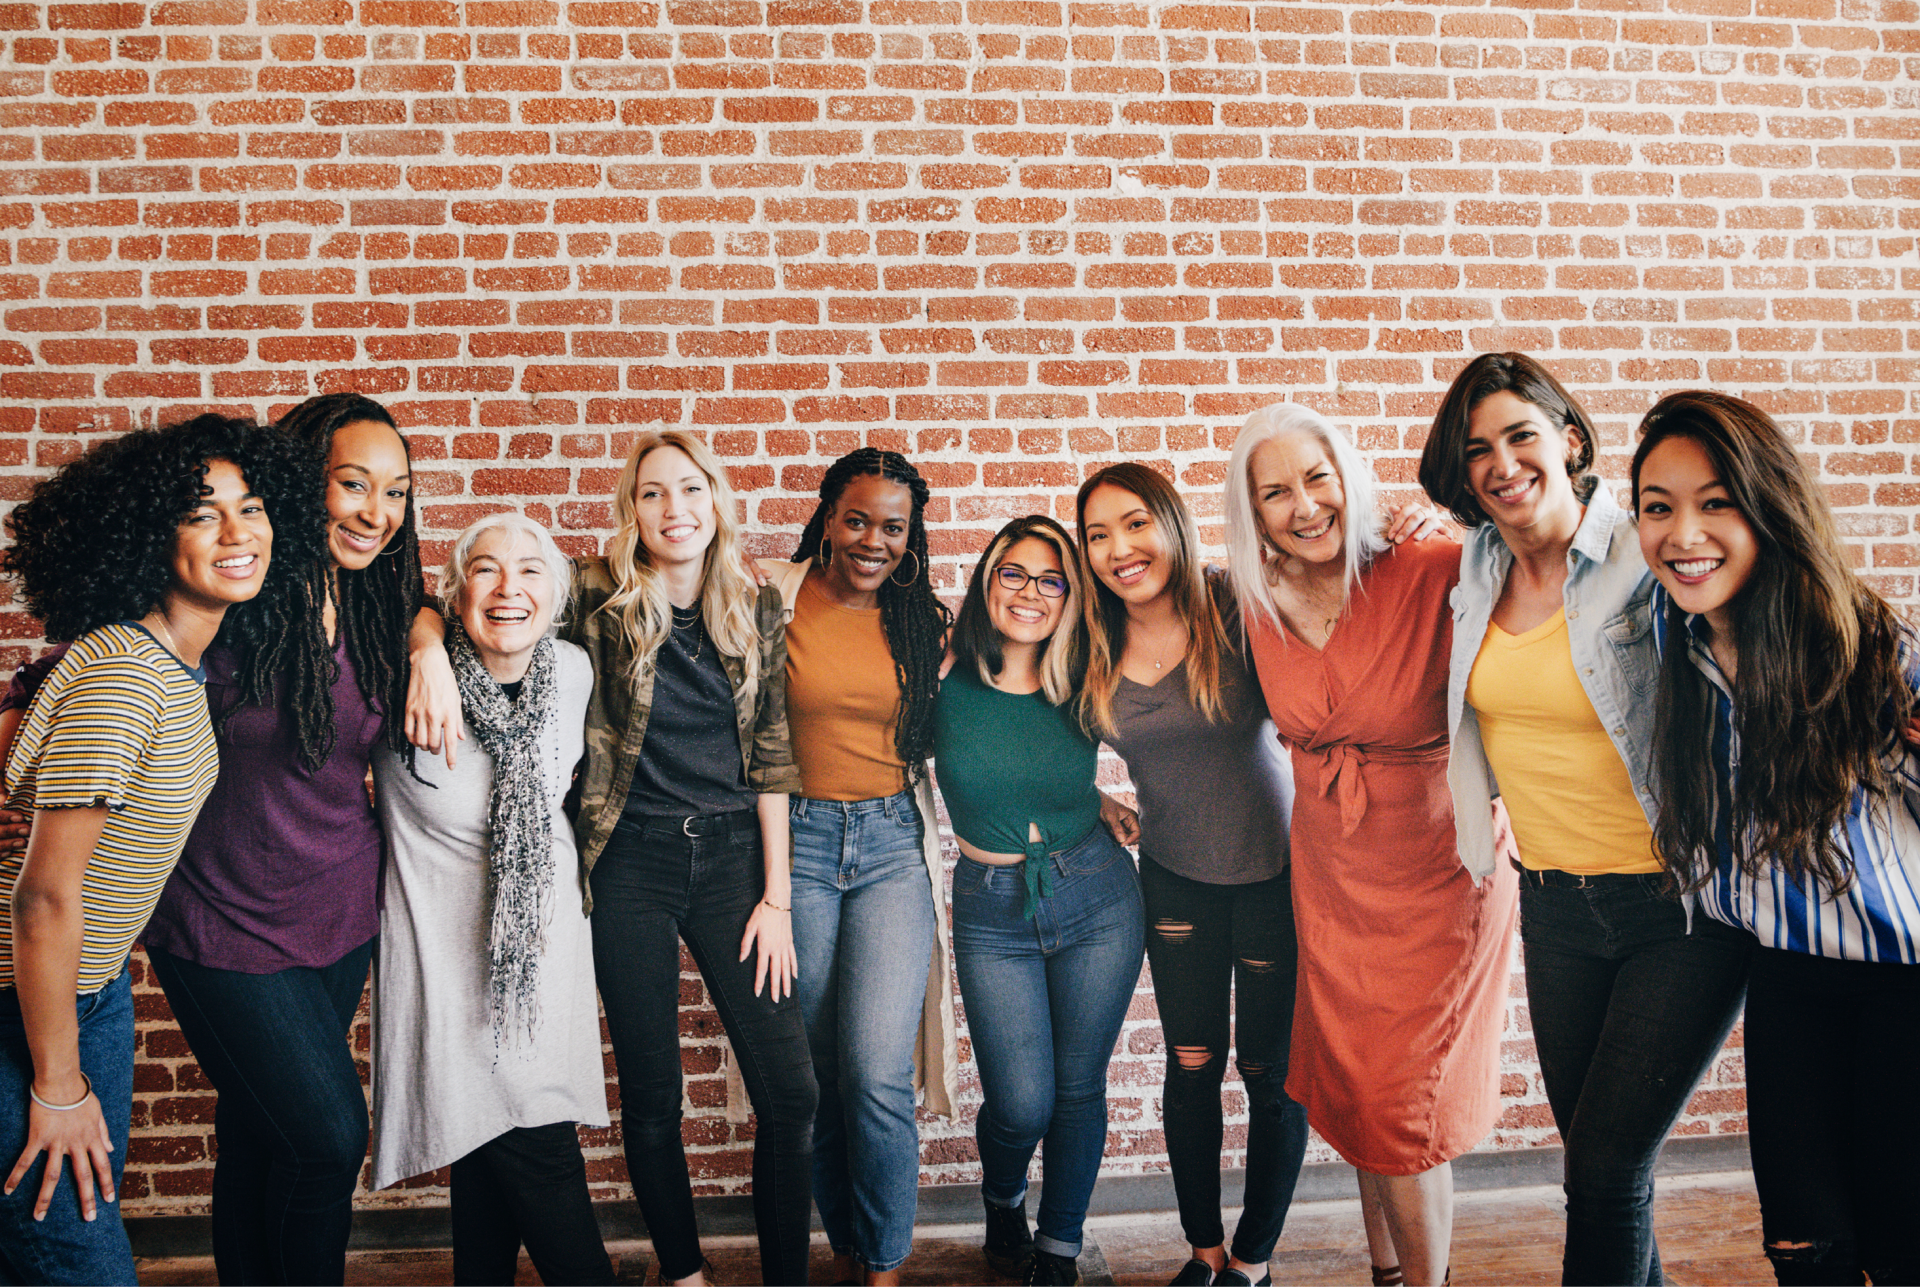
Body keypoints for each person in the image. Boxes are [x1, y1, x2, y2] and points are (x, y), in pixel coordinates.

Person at [1417, 355, 1750, 1287]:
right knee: (1606, 1171)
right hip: (1557, 907)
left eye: (1521, 434)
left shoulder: (1643, 554)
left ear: (1568, 437)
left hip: (1677, 908)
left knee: (1602, 1171)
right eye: (1477, 448)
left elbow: (1759, 601)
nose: (1502, 462)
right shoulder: (1474, 568)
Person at [135, 392, 448, 1286]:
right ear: (294, 484)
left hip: (339, 913)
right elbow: (78, 665)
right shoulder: (229, 583)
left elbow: (430, 600)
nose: (375, 513)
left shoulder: (380, 605)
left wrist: (427, 647)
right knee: (325, 1138)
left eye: (395, 492)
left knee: (257, 1139)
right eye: (352, 484)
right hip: (220, 916)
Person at [1, 415, 305, 1285]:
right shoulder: (127, 673)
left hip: (82, 994)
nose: (239, 532)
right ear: (147, 533)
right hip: (22, 1008)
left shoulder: (170, 664)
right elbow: (43, 897)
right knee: (80, 1266)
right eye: (203, 514)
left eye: (251, 508)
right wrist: (58, 1082)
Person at [1224, 403, 1517, 1287]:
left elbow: (1543, 578)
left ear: (1349, 477)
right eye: (1274, 491)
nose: (1303, 505)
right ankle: (1387, 1271)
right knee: (1355, 1086)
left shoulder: (1433, 565)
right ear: (1252, 511)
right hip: (1332, 874)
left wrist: (1467, 528)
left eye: (1317, 478)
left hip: (1437, 867)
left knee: (1403, 1102)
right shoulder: (1251, 598)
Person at [1633, 390, 1920, 1287]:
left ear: (1769, 506)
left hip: (1900, 987)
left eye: (1716, 502)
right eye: (1658, 506)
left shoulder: (1865, 642)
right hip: (1787, 980)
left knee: (1904, 1241)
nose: (1685, 533)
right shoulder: (1672, 644)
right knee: (1804, 1247)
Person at [558, 429, 814, 1286]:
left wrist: (775, 898)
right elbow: (484, 594)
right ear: (632, 509)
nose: (675, 509)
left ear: (716, 502)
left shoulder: (756, 601)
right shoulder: (593, 594)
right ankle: (684, 1272)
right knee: (653, 1094)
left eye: (691, 489)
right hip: (629, 860)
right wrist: (424, 650)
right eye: (654, 492)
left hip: (737, 860)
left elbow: (774, 751)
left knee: (791, 1090)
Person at [1075, 464, 1305, 1287]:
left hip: (1278, 875)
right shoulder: (1088, 640)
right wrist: (1096, 800)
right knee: (1193, 1065)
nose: (1118, 549)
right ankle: (1205, 1253)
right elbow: (1032, 736)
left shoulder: (1236, 607)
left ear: (1170, 523)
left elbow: (1338, 598)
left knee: (1272, 1076)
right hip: (1173, 879)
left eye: (1134, 524)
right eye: (1097, 534)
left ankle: (1253, 1261)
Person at [368, 513, 613, 1286]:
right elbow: (387, 595)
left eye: (532, 570)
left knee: (502, 1139)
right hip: (443, 951)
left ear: (558, 593)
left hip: (545, 951)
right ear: (453, 589)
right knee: (521, 1141)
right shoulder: (405, 676)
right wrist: (423, 643)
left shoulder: (573, 671)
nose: (509, 589)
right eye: (485, 569)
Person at [756, 448, 956, 1287]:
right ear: (827, 517)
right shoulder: (766, 594)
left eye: (894, 527)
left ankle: (882, 1266)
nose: (874, 540)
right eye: (858, 519)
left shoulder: (927, 622)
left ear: (912, 537)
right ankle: (842, 1233)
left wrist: (1092, 799)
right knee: (815, 1074)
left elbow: (1014, 697)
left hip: (888, 848)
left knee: (877, 1068)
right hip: (793, 846)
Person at [935, 514, 1146, 1287]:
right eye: (1012, 573)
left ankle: (1059, 1248)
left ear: (1070, 596)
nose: (1029, 591)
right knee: (1022, 1103)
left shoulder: (1086, 674)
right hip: (992, 909)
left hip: (1096, 894)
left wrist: (1095, 800)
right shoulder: (941, 674)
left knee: (1079, 1086)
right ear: (988, 581)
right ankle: (1002, 1198)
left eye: (1049, 578)